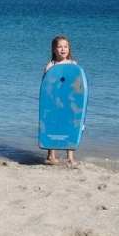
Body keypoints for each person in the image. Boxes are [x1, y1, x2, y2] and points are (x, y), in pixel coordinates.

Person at [43, 34, 78, 166]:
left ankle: (70, 157)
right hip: (53, 102)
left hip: (69, 102)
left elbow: (77, 85)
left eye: (66, 46)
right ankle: (51, 155)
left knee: (70, 127)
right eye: (59, 47)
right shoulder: (50, 66)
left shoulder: (73, 65)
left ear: (69, 49)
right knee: (52, 126)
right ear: (53, 49)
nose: (63, 49)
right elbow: (45, 86)